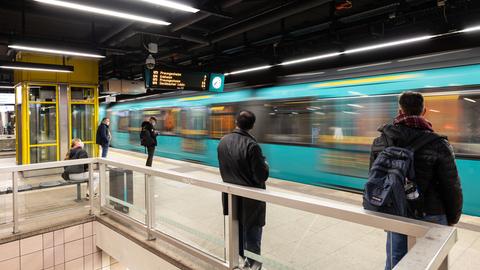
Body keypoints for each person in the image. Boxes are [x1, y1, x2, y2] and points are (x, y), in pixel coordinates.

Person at [369, 91, 463, 269]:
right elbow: (451, 186)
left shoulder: (381, 141)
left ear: (400, 111)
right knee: (433, 262)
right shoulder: (439, 144)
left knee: (396, 260)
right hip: (432, 213)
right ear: (424, 111)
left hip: (397, 211)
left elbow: (375, 181)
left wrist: (383, 212)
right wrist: (453, 217)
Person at [218, 111, 269, 270]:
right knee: (252, 235)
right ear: (252, 126)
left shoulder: (223, 141)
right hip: (251, 200)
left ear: (236, 122)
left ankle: (241, 260)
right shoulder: (252, 145)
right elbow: (262, 175)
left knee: (237, 229)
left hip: (231, 196)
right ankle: (253, 265)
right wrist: (265, 164)